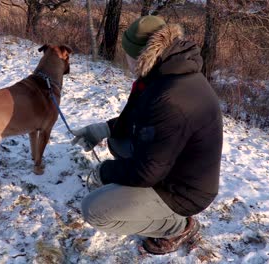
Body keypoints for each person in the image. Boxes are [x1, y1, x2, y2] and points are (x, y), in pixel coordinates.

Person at [72, 15, 223, 255]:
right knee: (117, 142)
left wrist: (105, 171)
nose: (126, 60)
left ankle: (179, 226)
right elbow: (138, 119)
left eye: (127, 55)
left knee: (95, 210)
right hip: (170, 166)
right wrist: (103, 129)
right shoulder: (167, 74)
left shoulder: (171, 97)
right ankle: (139, 199)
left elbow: (147, 173)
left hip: (184, 191)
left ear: (140, 56)